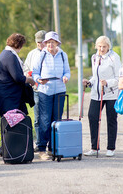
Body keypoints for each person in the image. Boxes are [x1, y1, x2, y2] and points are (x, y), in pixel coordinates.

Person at [32, 31, 71, 160]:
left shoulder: (63, 55)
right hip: (45, 91)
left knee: (57, 119)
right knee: (45, 120)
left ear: (57, 43)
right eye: (47, 43)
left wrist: (66, 77)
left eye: (52, 42)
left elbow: (67, 71)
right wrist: (39, 80)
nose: (50, 45)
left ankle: (53, 148)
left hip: (60, 90)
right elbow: (35, 73)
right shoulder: (41, 55)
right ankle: (42, 149)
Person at [82, 36, 121, 157]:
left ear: (108, 47)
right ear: (96, 46)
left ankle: (111, 148)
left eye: (104, 46)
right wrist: (89, 82)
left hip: (111, 93)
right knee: (92, 117)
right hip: (96, 93)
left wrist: (107, 83)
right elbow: (95, 77)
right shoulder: (94, 57)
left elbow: (118, 78)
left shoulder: (114, 57)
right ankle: (94, 147)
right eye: (99, 46)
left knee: (111, 119)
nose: (102, 49)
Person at [23, 30, 46, 152]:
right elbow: (25, 68)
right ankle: (39, 143)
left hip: (48, 90)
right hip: (36, 89)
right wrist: (28, 74)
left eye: (42, 42)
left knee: (48, 118)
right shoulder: (32, 54)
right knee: (37, 118)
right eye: (38, 43)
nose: (40, 45)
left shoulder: (51, 53)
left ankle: (50, 143)